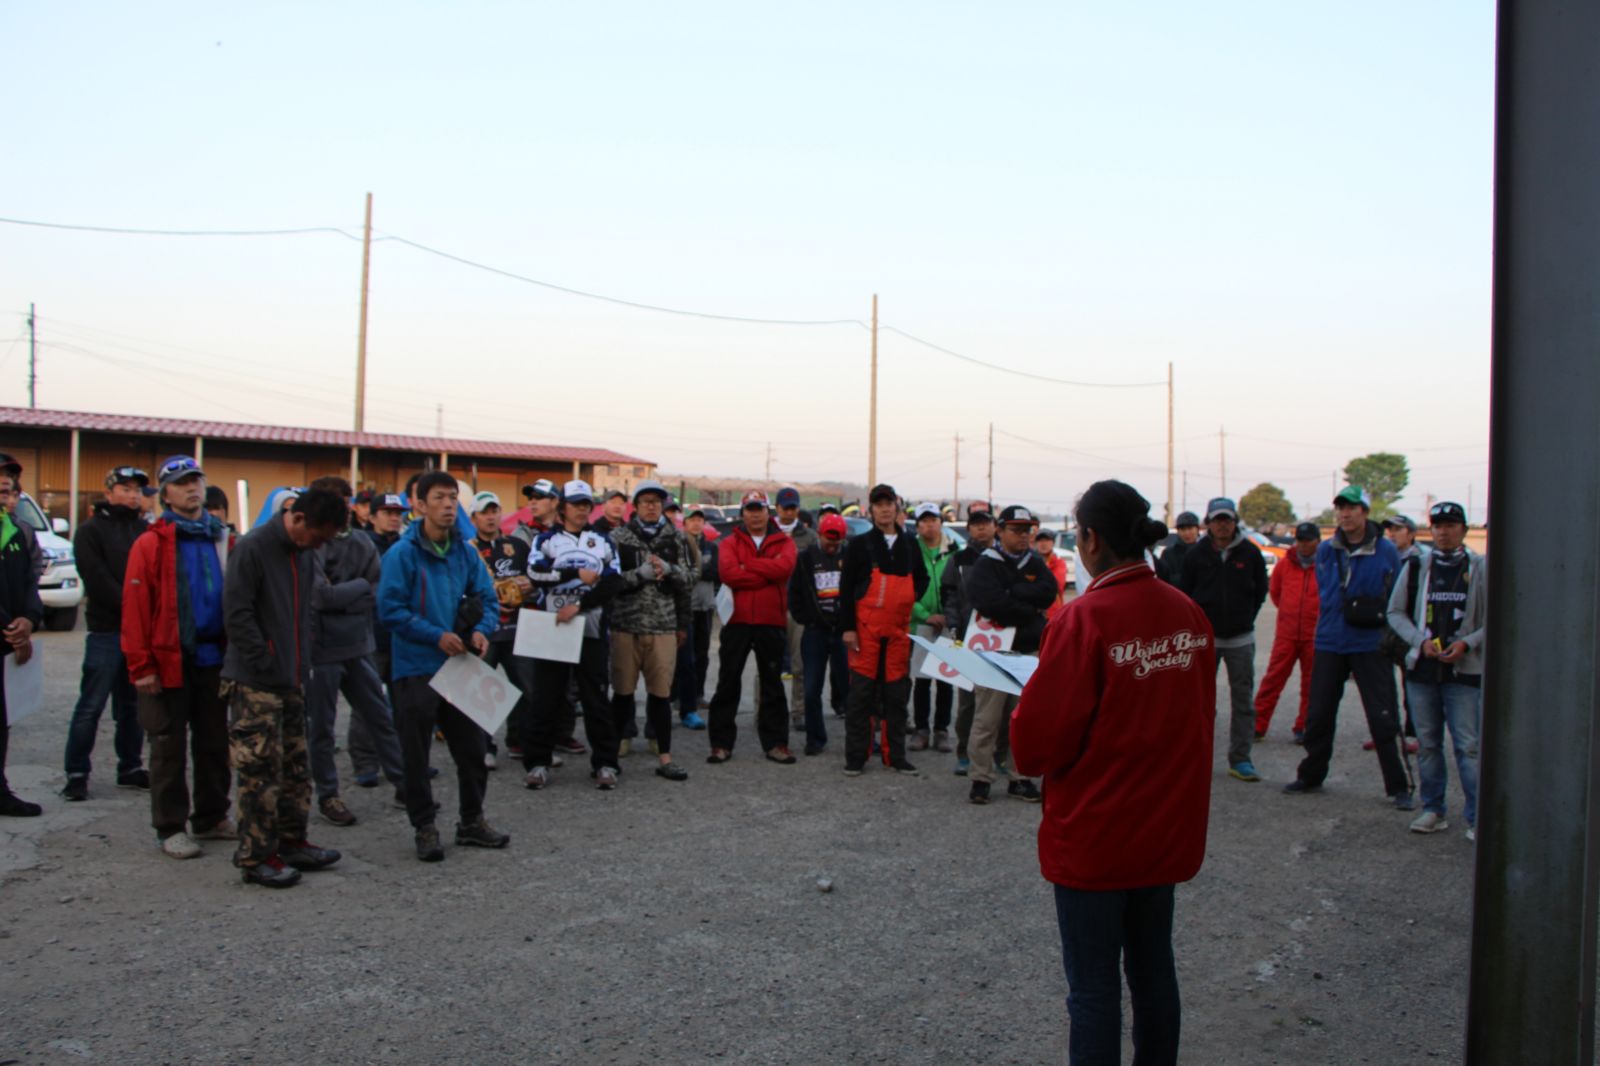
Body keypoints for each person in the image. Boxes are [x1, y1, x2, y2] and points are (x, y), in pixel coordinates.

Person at [1011, 479, 1215, 1066]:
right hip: (1164, 829)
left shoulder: (1083, 619)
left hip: (1097, 834)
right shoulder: (1187, 613)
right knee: (1154, 972)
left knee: (1094, 989)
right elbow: (1199, 718)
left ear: (1092, 539)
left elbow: (1036, 745)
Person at [377, 471, 511, 862]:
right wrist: (435, 635)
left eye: (453, 497)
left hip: (461, 666)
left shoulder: (465, 552)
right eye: (439, 497)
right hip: (415, 666)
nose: (449, 504)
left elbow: (488, 598)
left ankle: (472, 821)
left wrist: (482, 630)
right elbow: (389, 610)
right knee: (416, 754)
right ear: (419, 505)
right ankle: (424, 827)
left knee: (472, 749)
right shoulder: (402, 554)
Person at [222, 486, 348, 888]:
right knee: (259, 771)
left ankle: (292, 842)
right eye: (318, 536)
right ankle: (256, 856)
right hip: (255, 683)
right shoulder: (253, 548)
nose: (319, 545)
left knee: (295, 767)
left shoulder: (305, 554)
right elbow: (236, 612)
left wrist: (301, 660)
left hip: (293, 679)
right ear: (298, 518)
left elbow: (305, 611)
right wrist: (264, 658)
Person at [122, 456, 236, 856]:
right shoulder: (151, 543)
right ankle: (170, 826)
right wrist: (142, 666)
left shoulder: (220, 539)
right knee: (168, 747)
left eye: (196, 481)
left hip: (213, 659)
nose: (192, 488)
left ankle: (211, 816)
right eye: (182, 482)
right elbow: (136, 609)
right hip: (169, 660)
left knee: (214, 742)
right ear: (166, 494)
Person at [1284, 486, 1414, 808]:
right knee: (1319, 713)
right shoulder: (1327, 550)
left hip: (1370, 641)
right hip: (1330, 639)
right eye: (1341, 508)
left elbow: (1398, 594)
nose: (1345, 513)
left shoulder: (1385, 550)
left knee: (1383, 715)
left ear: (1365, 512)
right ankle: (1311, 774)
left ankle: (1398, 786)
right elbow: (1324, 592)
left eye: (1352, 508)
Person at [304, 477, 407, 826]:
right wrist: (358, 588)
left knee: (380, 717)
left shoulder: (361, 542)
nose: (341, 506)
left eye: (345, 499)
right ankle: (328, 795)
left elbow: (376, 590)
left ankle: (403, 784)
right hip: (321, 649)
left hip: (359, 643)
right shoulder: (313, 545)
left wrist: (344, 593)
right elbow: (320, 597)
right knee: (322, 727)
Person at [1387, 502, 1485, 839]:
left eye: (1451, 525)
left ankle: (1477, 817)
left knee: (1468, 747)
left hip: (1464, 674)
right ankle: (1433, 809)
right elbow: (1395, 612)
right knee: (1428, 744)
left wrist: (1467, 644)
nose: (1443, 532)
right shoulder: (1417, 566)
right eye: (1438, 526)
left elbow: (1494, 618)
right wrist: (1420, 641)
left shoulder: (1479, 567)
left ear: (1464, 530)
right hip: (1423, 672)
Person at [521, 480, 625, 791]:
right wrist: (574, 574)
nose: (581, 509)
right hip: (553, 625)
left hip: (590, 627)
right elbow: (535, 574)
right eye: (575, 504)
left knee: (595, 698)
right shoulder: (545, 540)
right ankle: (538, 762)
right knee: (546, 697)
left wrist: (579, 604)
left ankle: (605, 763)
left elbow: (613, 583)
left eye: (585, 504)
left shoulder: (603, 541)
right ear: (562, 507)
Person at [61, 466, 152, 801]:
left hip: (139, 634)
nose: (132, 495)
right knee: (91, 704)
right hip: (106, 631)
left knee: (131, 706)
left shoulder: (145, 530)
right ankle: (76, 773)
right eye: (125, 488)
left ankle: (130, 767)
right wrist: (132, 607)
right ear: (109, 492)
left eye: (137, 490)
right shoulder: (90, 531)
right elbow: (96, 578)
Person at [964, 505, 1054, 803]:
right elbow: (988, 601)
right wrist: (1028, 609)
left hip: (1027, 651)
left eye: (1027, 530)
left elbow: (1048, 593)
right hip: (993, 652)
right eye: (1016, 530)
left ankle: (1020, 777)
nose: (1023, 536)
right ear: (1000, 531)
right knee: (986, 719)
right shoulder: (986, 563)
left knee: (1024, 719)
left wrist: (1012, 592)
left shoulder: (1034, 562)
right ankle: (980, 777)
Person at [607, 480, 692, 781]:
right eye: (646, 501)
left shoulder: (676, 537)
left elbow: (690, 580)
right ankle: (614, 750)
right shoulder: (617, 537)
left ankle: (664, 754)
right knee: (622, 692)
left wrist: (671, 571)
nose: (652, 506)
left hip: (663, 626)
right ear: (636, 506)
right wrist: (637, 575)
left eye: (657, 501)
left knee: (660, 694)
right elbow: (609, 581)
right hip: (625, 625)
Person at [1178, 497, 1268, 782]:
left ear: (1235, 521)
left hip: (1241, 639)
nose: (1222, 525)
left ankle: (1240, 758)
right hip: (1205, 640)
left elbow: (1261, 591)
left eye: (1227, 519)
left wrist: (1246, 617)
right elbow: (1185, 594)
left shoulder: (1250, 553)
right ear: (1208, 523)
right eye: (1217, 520)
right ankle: (1197, 756)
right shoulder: (1195, 555)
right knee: (1200, 702)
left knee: (1243, 702)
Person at [840, 485, 927, 776]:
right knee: (861, 696)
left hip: (898, 632)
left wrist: (907, 599)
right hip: (865, 631)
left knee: (896, 696)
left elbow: (922, 579)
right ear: (872, 510)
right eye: (879, 505)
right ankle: (856, 757)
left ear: (897, 508)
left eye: (889, 503)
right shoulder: (859, 544)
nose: (885, 509)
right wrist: (848, 628)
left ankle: (896, 756)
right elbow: (846, 588)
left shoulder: (910, 544)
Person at [706, 491, 796, 764]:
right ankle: (721, 744)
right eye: (750, 509)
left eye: (760, 509)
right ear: (742, 513)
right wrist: (766, 572)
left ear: (768, 512)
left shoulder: (785, 542)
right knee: (728, 682)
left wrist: (748, 566)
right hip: (737, 621)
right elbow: (728, 573)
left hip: (771, 621)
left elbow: (784, 569)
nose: (755, 514)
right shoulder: (729, 542)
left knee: (772, 684)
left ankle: (776, 743)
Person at [942, 507, 1002, 775]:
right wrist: (954, 625)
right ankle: (964, 753)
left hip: (1001, 638)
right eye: (975, 524)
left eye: (985, 523)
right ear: (968, 529)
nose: (981, 528)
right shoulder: (959, 559)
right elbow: (949, 595)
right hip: (968, 637)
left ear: (995, 527)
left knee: (1001, 700)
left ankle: (1000, 755)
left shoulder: (1005, 557)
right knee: (967, 701)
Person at [0, 460, 43, 817]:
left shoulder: (17, 530)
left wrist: (28, 619)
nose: (6, 488)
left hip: (8, 640)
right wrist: (11, 627)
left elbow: (31, 581)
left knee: (3, 718)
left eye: (10, 482)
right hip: (7, 633)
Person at [788, 511, 850, 756]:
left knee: (850, 688)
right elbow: (794, 593)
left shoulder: (850, 556)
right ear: (820, 535)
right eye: (828, 541)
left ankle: (859, 739)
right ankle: (815, 739)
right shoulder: (805, 558)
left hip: (843, 633)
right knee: (812, 688)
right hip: (815, 632)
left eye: (836, 542)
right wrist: (807, 618)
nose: (832, 546)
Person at [1253, 522, 1321, 744]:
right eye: (1300, 540)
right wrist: (1288, 613)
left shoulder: (1325, 564)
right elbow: (1275, 592)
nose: (1303, 545)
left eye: (1308, 541)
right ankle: (1257, 725)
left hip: (1314, 635)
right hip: (1287, 634)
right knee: (1272, 680)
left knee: (1312, 685)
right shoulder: (1285, 564)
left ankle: (1305, 726)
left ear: (1317, 541)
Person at [909, 502, 955, 752]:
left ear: (941, 522)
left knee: (946, 679)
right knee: (922, 680)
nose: (929, 525)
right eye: (924, 521)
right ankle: (921, 729)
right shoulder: (910, 550)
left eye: (933, 520)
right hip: (921, 623)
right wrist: (925, 615)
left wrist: (950, 615)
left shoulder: (954, 550)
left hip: (948, 623)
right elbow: (906, 589)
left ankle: (941, 730)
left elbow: (960, 585)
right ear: (917, 526)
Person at [774, 486, 815, 727]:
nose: (789, 512)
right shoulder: (767, 533)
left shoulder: (809, 537)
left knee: (800, 664)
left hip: (798, 609)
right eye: (785, 507)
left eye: (793, 508)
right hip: (771, 605)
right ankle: (766, 711)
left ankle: (799, 711)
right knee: (768, 664)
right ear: (777, 508)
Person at [677, 506, 718, 729]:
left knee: (702, 653)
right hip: (685, 607)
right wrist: (700, 570)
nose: (696, 523)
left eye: (699, 520)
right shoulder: (678, 545)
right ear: (684, 523)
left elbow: (716, 572)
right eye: (691, 520)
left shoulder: (711, 546)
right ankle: (678, 695)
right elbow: (681, 575)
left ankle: (698, 693)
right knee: (684, 655)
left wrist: (695, 571)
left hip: (705, 606)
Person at [1158, 512, 1201, 586]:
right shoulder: (1168, 553)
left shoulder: (1206, 552)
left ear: (1197, 529)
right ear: (1178, 531)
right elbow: (1164, 579)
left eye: (1190, 528)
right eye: (1183, 529)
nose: (1187, 533)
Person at [1034, 528, 1068, 617]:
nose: (1043, 543)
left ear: (1053, 543)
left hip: (1054, 613)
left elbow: (1056, 584)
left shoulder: (1059, 562)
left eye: (1047, 540)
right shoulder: (1029, 562)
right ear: (1036, 543)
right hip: (1033, 612)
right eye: (1040, 540)